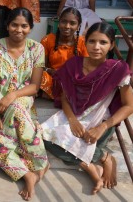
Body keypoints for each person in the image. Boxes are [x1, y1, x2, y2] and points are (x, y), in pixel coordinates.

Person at [42, 22, 133, 194]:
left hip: (100, 119)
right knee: (43, 137)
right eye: (92, 41)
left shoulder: (117, 69)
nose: (96, 47)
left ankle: (98, 157)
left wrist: (102, 127)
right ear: (85, 42)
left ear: (112, 45)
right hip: (73, 114)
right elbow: (65, 96)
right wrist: (72, 120)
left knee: (81, 140)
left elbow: (129, 105)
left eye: (103, 42)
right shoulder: (73, 64)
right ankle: (98, 160)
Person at [0, 8, 49, 201]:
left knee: (18, 110)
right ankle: (26, 174)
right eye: (14, 25)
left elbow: (35, 87)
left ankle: (38, 162)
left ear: (30, 28)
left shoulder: (37, 49)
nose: (18, 29)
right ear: (7, 25)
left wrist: (12, 95)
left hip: (23, 100)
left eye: (24, 26)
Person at [40, 7, 89, 99]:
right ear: (59, 23)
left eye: (72, 23)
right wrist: (51, 71)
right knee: (39, 75)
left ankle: (53, 95)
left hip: (73, 80)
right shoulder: (47, 40)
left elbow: (87, 67)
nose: (67, 26)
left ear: (78, 26)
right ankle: (62, 96)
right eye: (64, 22)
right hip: (53, 79)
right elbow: (41, 66)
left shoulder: (83, 42)